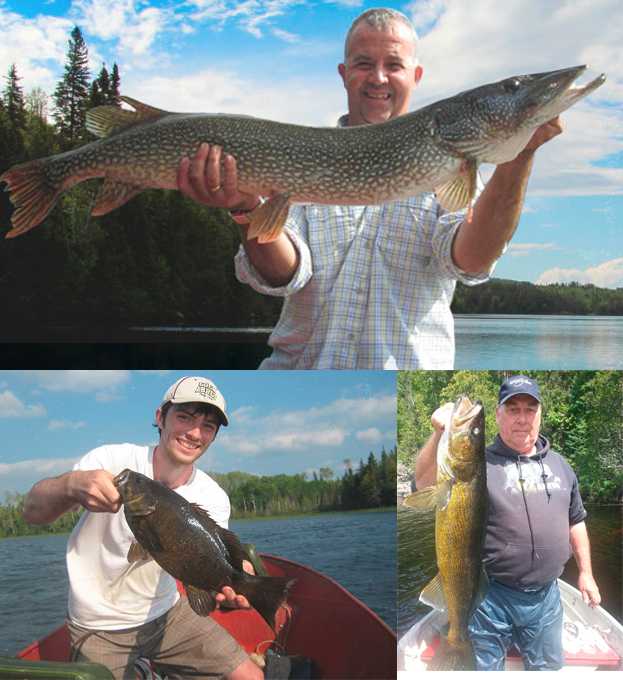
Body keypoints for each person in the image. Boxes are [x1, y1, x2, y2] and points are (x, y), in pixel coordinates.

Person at [177, 8, 564, 369]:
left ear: (416, 76)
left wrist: (520, 153)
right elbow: (284, 275)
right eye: (365, 64)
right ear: (345, 73)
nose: (378, 77)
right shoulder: (295, 158)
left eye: (394, 65)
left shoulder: (452, 169)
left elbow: (472, 260)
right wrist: (245, 208)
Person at [22, 376, 262, 680]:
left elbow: (211, 560)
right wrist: (71, 485)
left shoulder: (213, 496)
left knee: (251, 677)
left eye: (208, 426)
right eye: (185, 417)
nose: (194, 432)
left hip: (167, 612)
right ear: (160, 417)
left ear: (214, 436)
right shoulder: (110, 460)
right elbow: (32, 514)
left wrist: (236, 582)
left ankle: (145, 667)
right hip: (100, 624)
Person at [415, 374, 602, 671]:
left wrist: (587, 573)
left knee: (548, 671)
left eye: (530, 409)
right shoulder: (479, 463)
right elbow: (423, 483)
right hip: (489, 596)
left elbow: (576, 521)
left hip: (546, 598)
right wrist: (440, 433)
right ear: (499, 414)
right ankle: (457, 643)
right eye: (513, 409)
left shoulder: (561, 466)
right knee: (485, 669)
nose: (522, 418)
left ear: (540, 414)